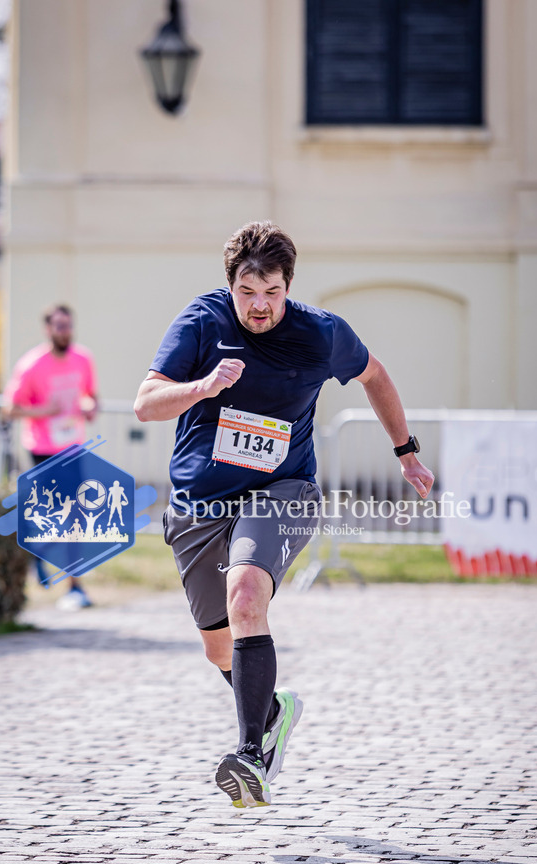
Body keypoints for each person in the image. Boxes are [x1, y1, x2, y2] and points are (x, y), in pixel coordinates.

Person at [134, 222, 434, 808]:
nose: (260, 305)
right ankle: (272, 712)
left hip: (284, 490)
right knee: (218, 649)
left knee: (246, 596)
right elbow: (147, 403)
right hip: (200, 503)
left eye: (271, 292)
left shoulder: (320, 334)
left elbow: (375, 375)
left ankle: (251, 754)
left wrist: (406, 452)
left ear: (287, 286)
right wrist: (201, 386)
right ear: (231, 285)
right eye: (248, 292)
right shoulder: (202, 322)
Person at [3, 304, 99, 611]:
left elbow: (92, 395)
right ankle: (36, 555)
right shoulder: (32, 364)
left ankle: (74, 586)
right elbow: (10, 409)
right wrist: (46, 411)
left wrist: (89, 407)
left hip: (72, 447)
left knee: (75, 516)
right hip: (42, 448)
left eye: (68, 326)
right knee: (52, 515)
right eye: (59, 326)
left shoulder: (83, 358)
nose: (65, 332)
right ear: (48, 329)